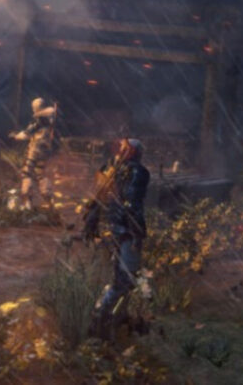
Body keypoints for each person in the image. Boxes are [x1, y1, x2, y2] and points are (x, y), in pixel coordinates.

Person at [82, 138, 150, 341]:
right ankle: (100, 318)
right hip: (125, 232)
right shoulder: (138, 172)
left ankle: (115, 317)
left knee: (123, 278)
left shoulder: (110, 169)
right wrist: (138, 232)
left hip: (111, 229)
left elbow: (99, 200)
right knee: (124, 280)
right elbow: (132, 204)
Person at [9, 97, 60, 210]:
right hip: (45, 151)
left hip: (35, 150)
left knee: (26, 173)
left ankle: (26, 202)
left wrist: (16, 136)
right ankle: (49, 201)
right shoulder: (49, 119)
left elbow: (27, 134)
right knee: (40, 175)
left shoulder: (38, 120)